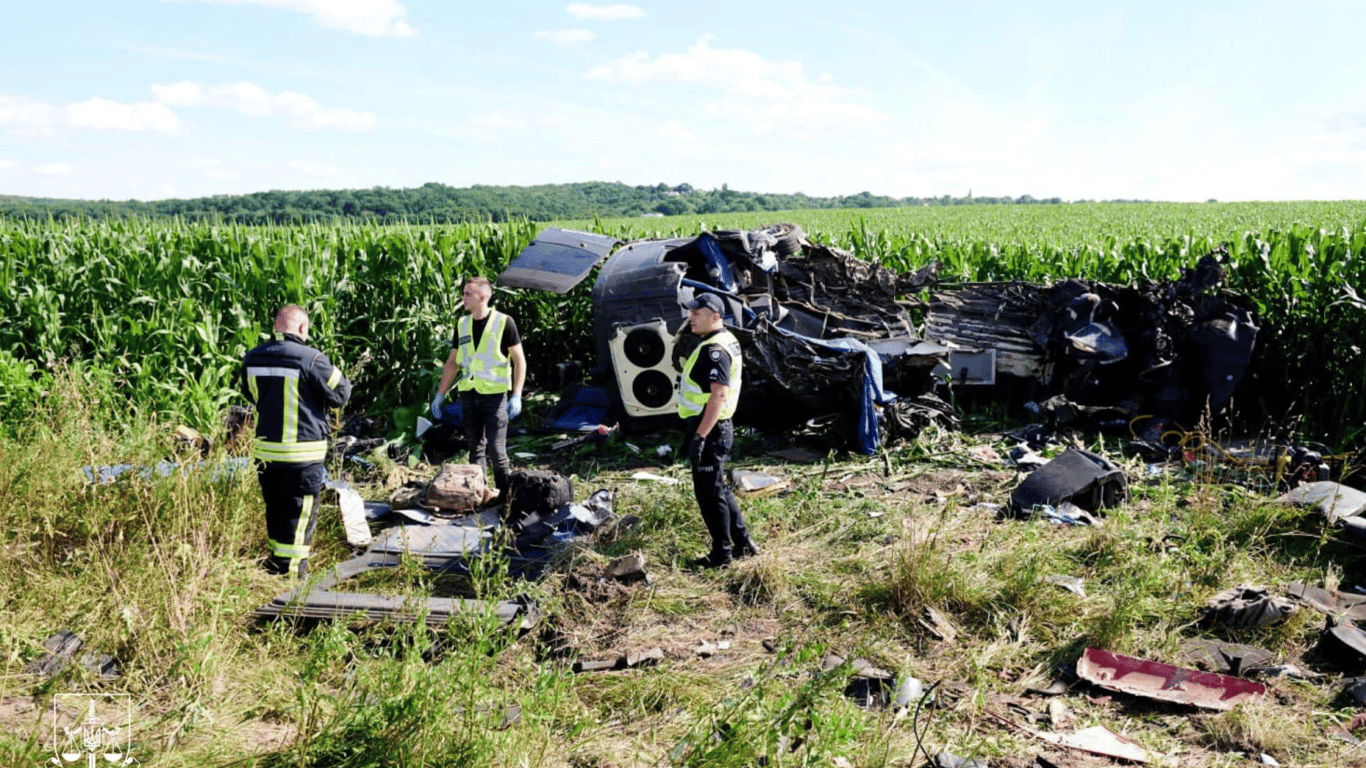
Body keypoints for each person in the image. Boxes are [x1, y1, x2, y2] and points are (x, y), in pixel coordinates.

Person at [242, 305, 351, 578]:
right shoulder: (311, 358)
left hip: (266, 452)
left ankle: (275, 564)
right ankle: (291, 575)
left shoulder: (252, 358)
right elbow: (341, 392)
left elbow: (250, 394)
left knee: (276, 509)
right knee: (300, 515)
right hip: (302, 454)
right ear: (302, 328)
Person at [678, 293, 759, 568]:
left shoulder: (715, 350)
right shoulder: (722, 340)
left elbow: (718, 396)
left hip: (711, 429)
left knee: (709, 495)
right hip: (714, 426)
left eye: (697, 313)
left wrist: (699, 436)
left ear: (715, 317)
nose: (691, 316)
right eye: (690, 311)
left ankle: (721, 555)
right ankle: (744, 543)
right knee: (719, 489)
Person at [430, 277, 527, 500]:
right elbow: (453, 362)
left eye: (467, 294)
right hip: (469, 395)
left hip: (494, 396)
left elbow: (519, 360)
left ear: (482, 296)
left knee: (497, 450)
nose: (462, 298)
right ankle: (478, 494)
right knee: (475, 449)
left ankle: (505, 498)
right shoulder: (462, 324)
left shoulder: (504, 322)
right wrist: (440, 395)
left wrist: (517, 395)